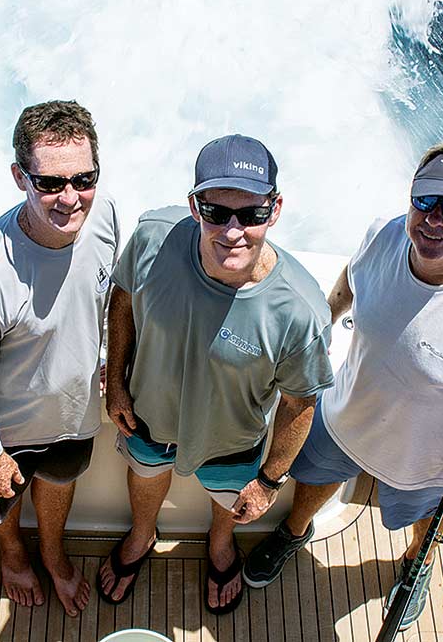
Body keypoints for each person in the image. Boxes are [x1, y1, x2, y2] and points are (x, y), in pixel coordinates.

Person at [243, 141, 443, 632]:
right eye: (425, 201)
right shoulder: (384, 235)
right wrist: (318, 328)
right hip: (345, 416)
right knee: (312, 481)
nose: (434, 220)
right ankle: (293, 532)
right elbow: (350, 282)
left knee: (429, 524)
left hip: (430, 463)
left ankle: (417, 564)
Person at [97, 134, 334, 615]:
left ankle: (220, 544)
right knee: (144, 473)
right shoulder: (151, 236)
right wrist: (118, 381)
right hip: (145, 415)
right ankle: (143, 535)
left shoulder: (300, 311)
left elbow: (299, 403)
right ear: (193, 207)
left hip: (233, 441)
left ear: (276, 209)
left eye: (251, 214)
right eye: (215, 212)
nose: (232, 231)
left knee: (229, 501)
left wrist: (268, 481)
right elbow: (122, 296)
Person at [0, 100, 119, 617]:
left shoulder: (104, 213)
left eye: (83, 178)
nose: (70, 198)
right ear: (20, 176)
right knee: (3, 503)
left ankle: (52, 552)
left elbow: (104, 296)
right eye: (49, 183)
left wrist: (109, 353)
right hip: (5, 432)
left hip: (75, 415)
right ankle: (14, 554)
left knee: (61, 482)